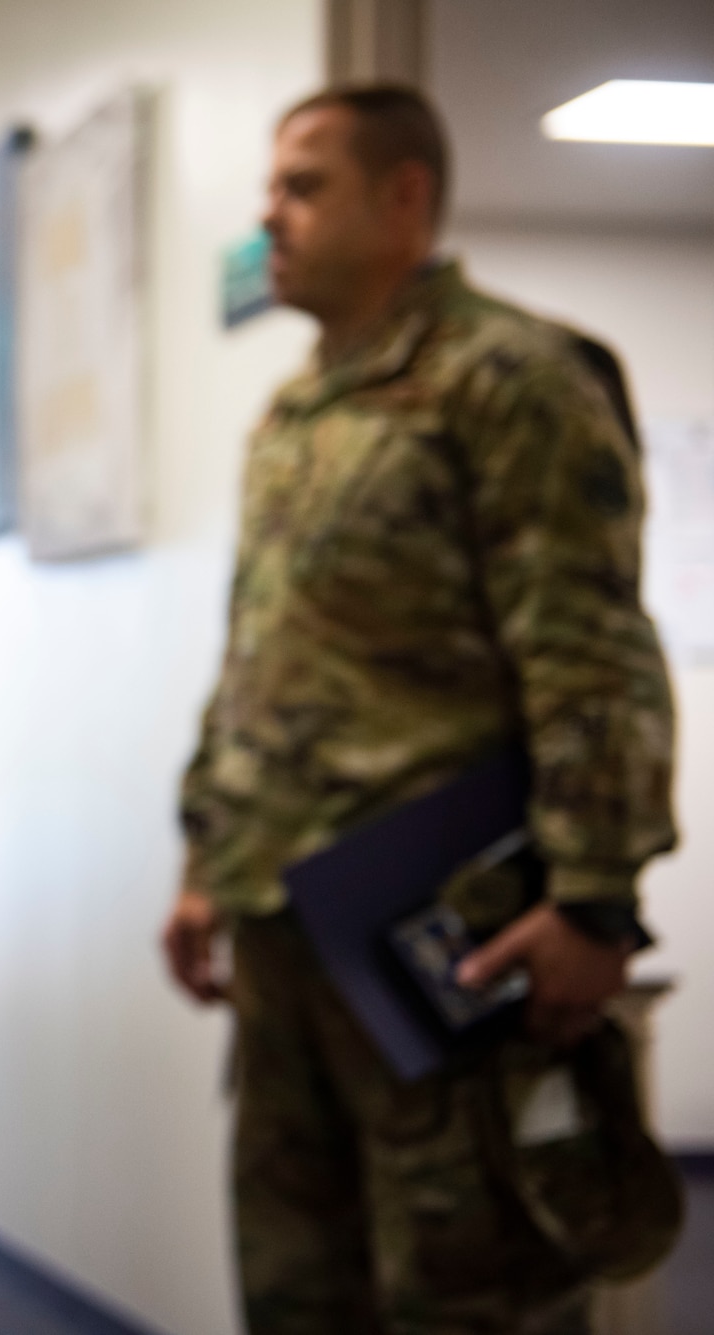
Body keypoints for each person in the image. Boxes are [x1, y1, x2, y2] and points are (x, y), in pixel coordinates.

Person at [162, 86, 679, 1331]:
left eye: (302, 186)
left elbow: (591, 651)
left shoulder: (510, 378)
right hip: (285, 930)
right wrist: (202, 859)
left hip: (440, 938)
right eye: (269, 188)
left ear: (403, 199)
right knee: (296, 1289)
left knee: (466, 1296)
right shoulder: (295, 413)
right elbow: (257, 653)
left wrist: (595, 897)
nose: (266, 216)